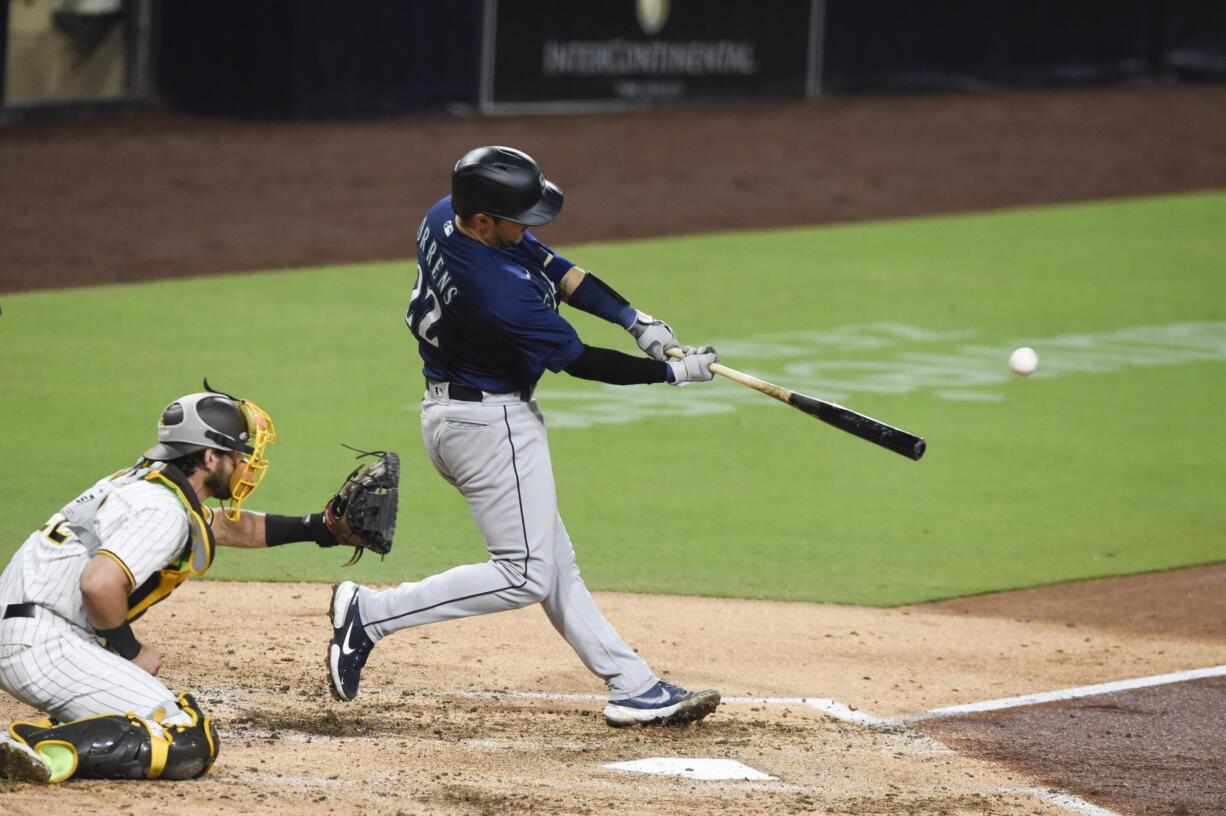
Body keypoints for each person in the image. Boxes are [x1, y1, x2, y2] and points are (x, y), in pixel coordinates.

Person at [327, 145, 722, 727]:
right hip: (490, 427)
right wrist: (670, 371)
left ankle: (632, 684)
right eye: (520, 217)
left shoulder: (447, 214)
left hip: (460, 415)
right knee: (525, 572)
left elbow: (559, 270)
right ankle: (372, 613)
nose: (530, 225)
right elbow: (581, 362)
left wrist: (634, 320)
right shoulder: (495, 295)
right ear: (485, 220)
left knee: (554, 562)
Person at [0, 385, 356, 783]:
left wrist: (320, 529)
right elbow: (99, 584)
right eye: (237, 453)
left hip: (28, 628)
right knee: (184, 735)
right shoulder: (162, 509)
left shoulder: (149, 485)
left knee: (134, 718)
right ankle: (22, 746)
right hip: (42, 644)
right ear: (209, 457)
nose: (245, 463)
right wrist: (130, 651)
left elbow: (220, 527)